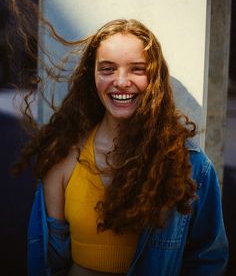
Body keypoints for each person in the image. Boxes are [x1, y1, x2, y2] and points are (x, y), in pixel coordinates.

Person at [12, 17, 227, 276]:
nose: (121, 81)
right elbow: (48, 261)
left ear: (155, 78)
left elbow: (207, 261)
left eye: (137, 69)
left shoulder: (191, 166)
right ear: (91, 76)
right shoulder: (63, 157)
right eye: (107, 69)